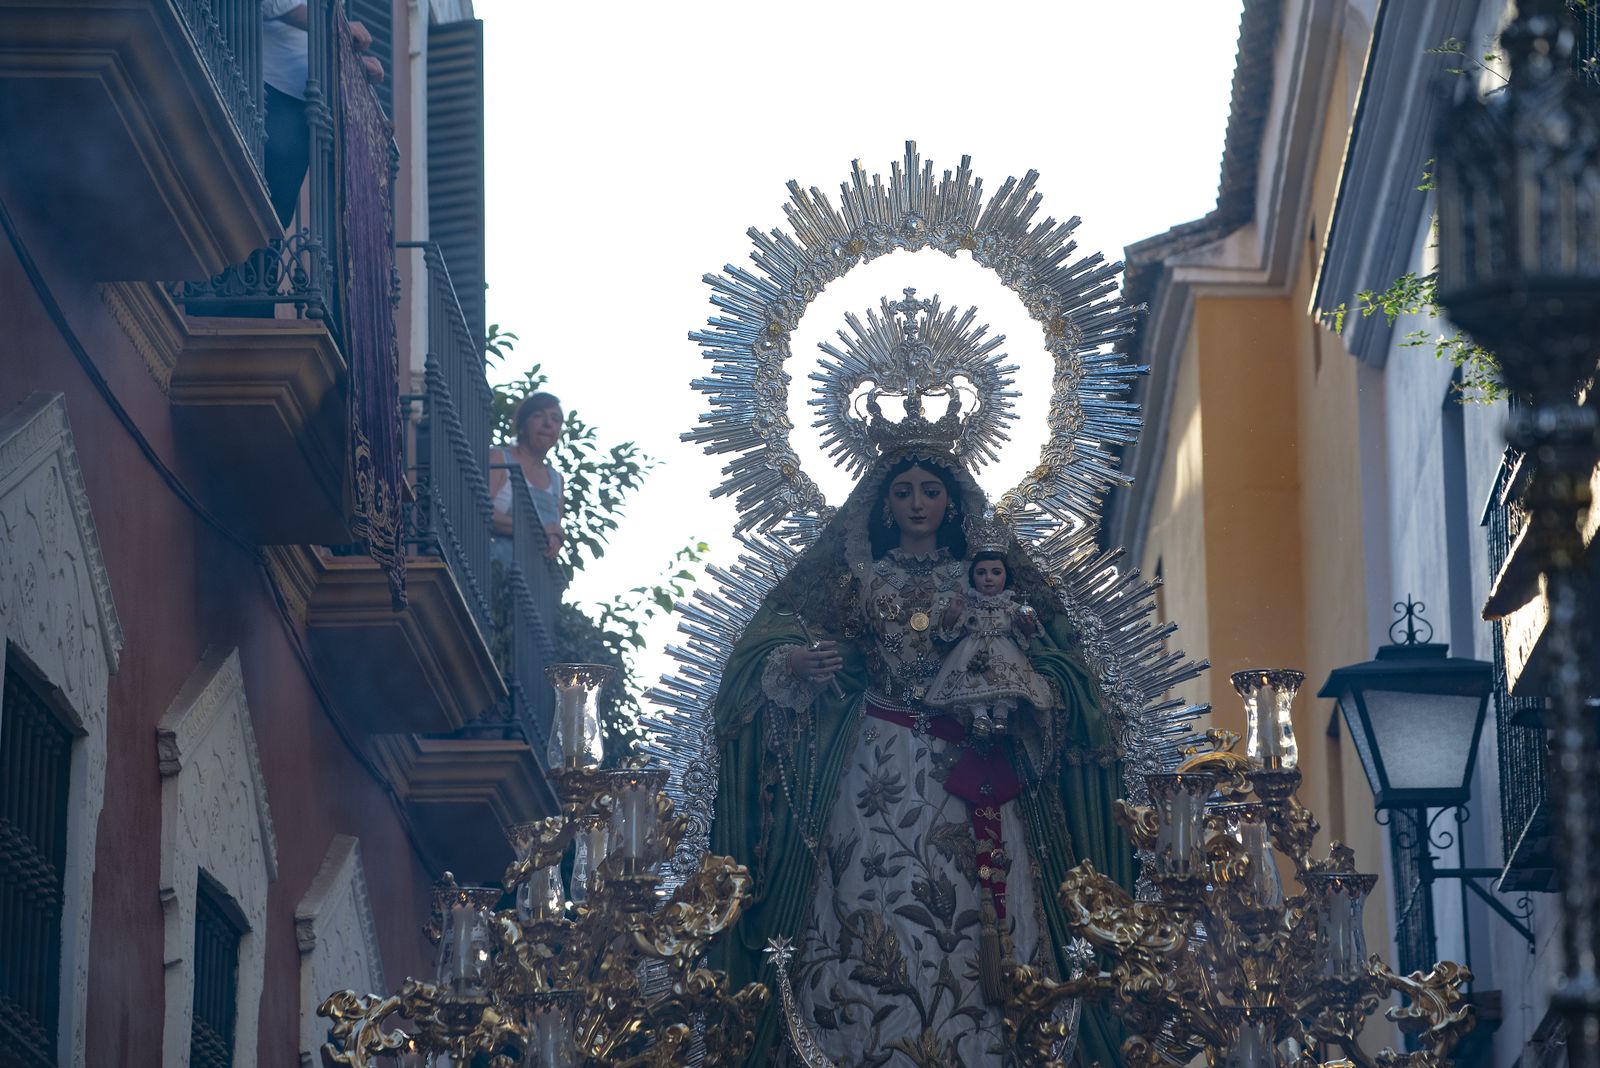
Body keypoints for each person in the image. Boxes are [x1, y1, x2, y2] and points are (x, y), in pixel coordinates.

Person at [710, 441, 1135, 1066]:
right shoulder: (855, 579)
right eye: (903, 491)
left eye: (930, 492)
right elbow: (780, 632)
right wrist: (794, 660)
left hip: (968, 765)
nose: (917, 504)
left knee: (974, 909)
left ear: (951, 502)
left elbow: (1047, 652)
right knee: (866, 901)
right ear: (884, 503)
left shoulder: (984, 578)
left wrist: (1023, 684)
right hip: (873, 766)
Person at [260, 1, 384, 228]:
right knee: (255, 214)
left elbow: (317, 38)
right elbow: (271, 4)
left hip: (306, 106)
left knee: (273, 222)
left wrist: (355, 63)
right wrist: (340, 30)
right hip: (268, 93)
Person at [924, 547, 1055, 740]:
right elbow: (951, 632)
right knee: (970, 681)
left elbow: (1028, 634)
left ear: (1006, 576)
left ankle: (1001, 714)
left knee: (1007, 679)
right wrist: (952, 615)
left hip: (1005, 652)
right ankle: (980, 716)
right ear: (973, 577)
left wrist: (1026, 625)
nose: (988, 578)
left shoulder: (1011, 606)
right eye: (981, 573)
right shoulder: (969, 605)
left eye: (996, 572)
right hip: (971, 651)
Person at [489, 392, 565, 560]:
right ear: (522, 426)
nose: (548, 423)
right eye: (538, 415)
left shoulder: (557, 481)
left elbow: (552, 531)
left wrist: (557, 537)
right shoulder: (499, 459)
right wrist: (537, 530)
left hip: (533, 575)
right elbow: (481, 511)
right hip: (492, 566)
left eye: (555, 419)